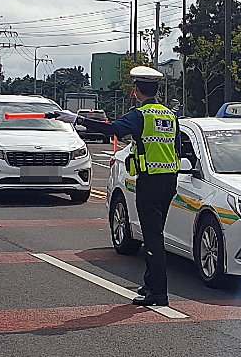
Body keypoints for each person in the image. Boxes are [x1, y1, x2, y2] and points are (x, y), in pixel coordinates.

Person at [55, 66, 181, 306]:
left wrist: (78, 120)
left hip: (149, 181)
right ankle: (150, 284)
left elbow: (113, 129)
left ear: (136, 90)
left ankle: (159, 293)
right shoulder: (169, 115)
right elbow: (177, 148)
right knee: (155, 232)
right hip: (169, 180)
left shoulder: (140, 115)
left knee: (152, 237)